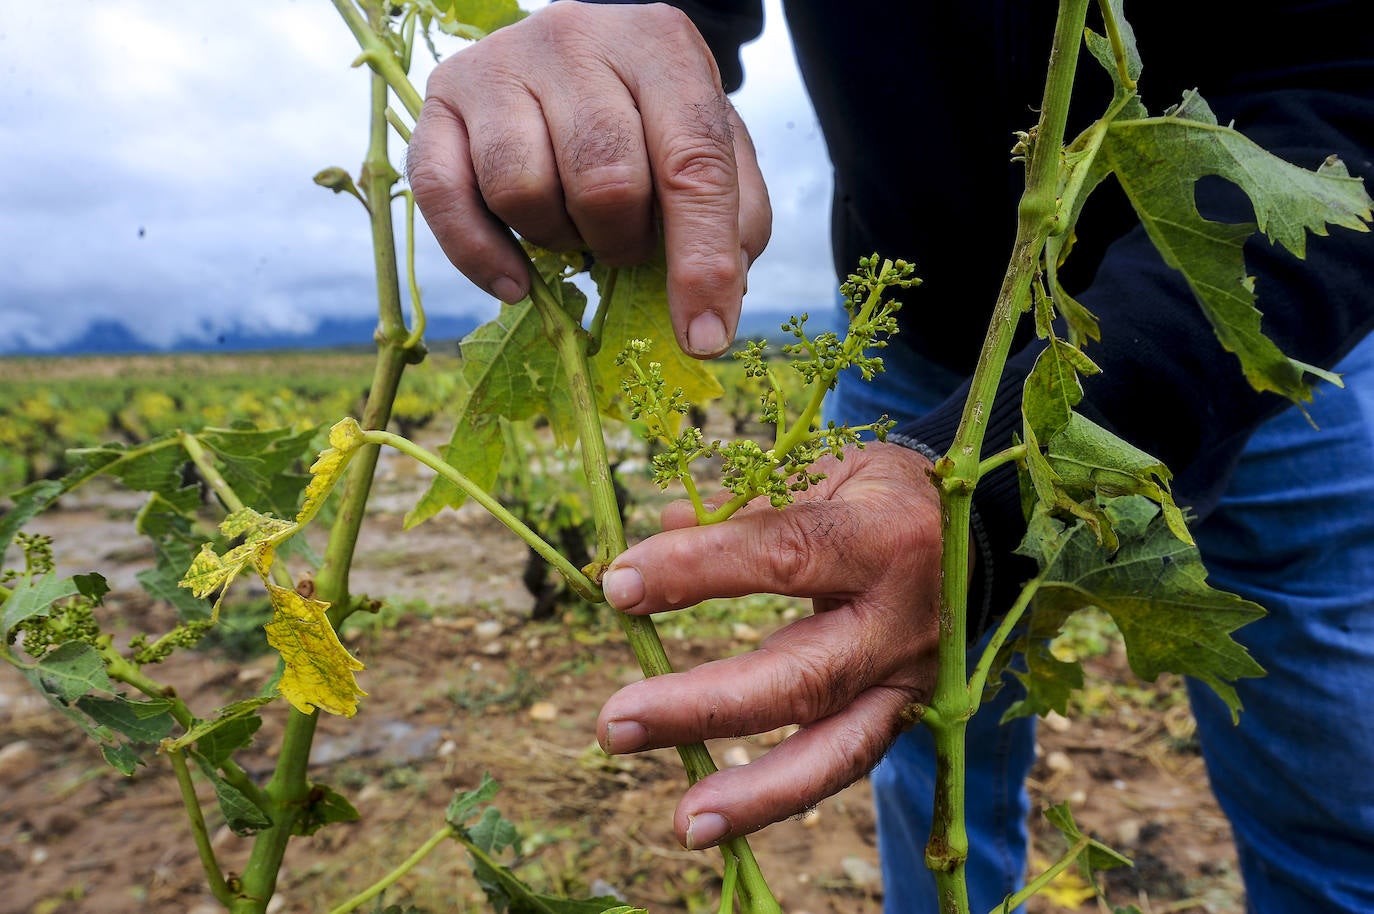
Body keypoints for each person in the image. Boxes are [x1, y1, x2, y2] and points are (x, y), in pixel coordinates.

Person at [406, 2, 1374, 911]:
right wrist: (634, 25)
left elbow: (1350, 86)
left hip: (1262, 349)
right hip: (910, 350)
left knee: (1328, 765)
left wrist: (999, 488)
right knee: (925, 740)